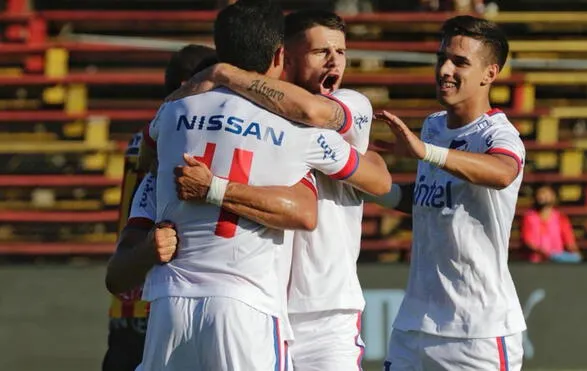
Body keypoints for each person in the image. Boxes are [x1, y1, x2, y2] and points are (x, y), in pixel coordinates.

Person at [139, 1, 391, 370]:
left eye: (341, 52)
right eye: (321, 51)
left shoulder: (347, 102)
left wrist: (224, 73)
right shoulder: (270, 119)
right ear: (284, 55)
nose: (334, 62)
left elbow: (372, 172)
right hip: (260, 299)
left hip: (322, 309)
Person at [369, 15, 527, 370]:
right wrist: (364, 186)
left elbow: (503, 173)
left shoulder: (498, 135)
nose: (445, 69)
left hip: (478, 334)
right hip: (414, 324)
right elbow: (428, 198)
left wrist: (426, 152)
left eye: (460, 62)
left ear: (490, 73)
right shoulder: (433, 125)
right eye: (442, 58)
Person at [102, 44, 217, 371]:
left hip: (128, 305)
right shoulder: (174, 138)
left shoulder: (146, 135)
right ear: (187, 82)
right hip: (159, 300)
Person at [521, 184, 582, 263]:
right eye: (540, 193)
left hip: (556, 261)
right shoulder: (529, 217)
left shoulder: (560, 218)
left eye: (545, 193)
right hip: (535, 261)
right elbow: (528, 242)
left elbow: (570, 242)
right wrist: (543, 253)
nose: (542, 196)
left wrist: (576, 254)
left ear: (553, 196)